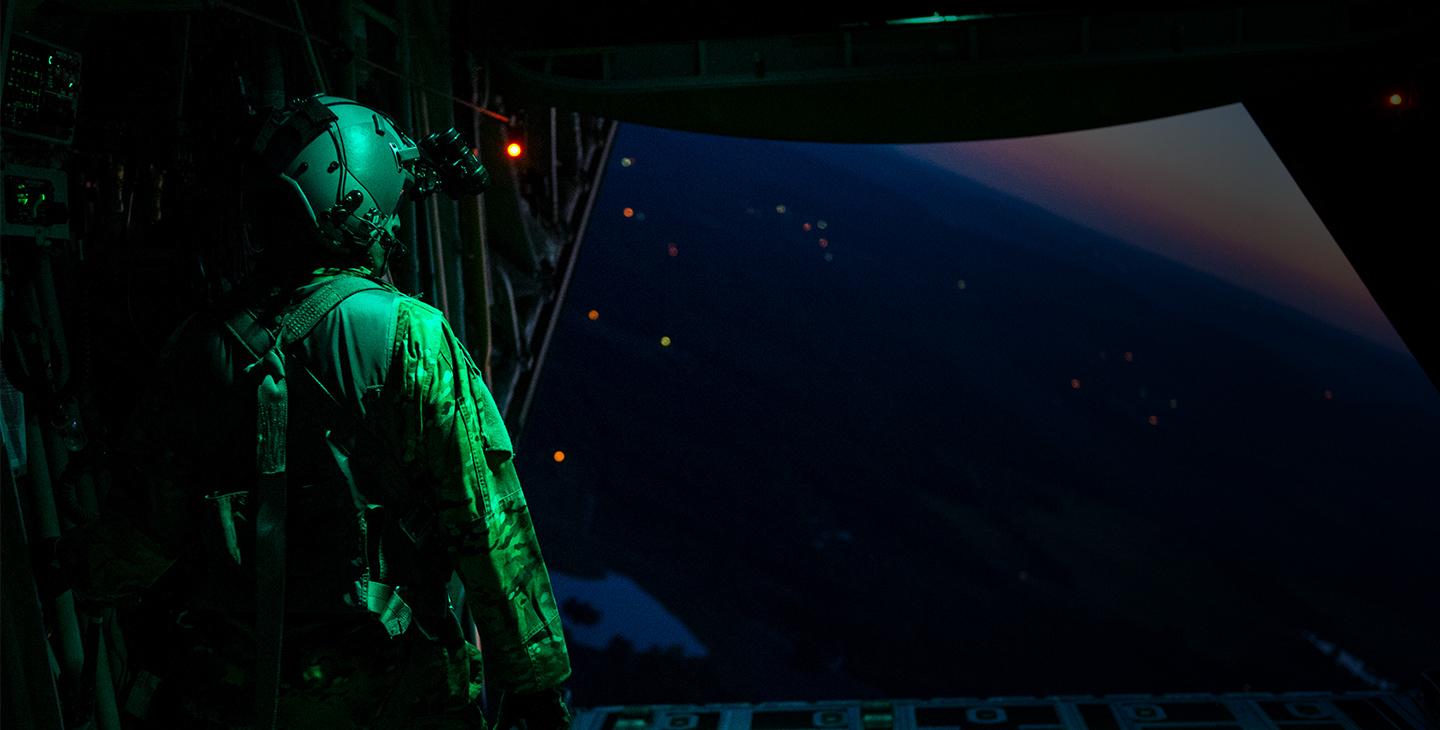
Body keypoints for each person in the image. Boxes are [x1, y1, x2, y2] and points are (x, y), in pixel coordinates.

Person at [53, 95, 571, 729]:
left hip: (232, 693)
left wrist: (67, 569)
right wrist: (534, 681)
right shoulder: (410, 337)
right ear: (360, 201)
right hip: (389, 688)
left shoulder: (197, 346)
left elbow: (147, 533)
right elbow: (484, 521)